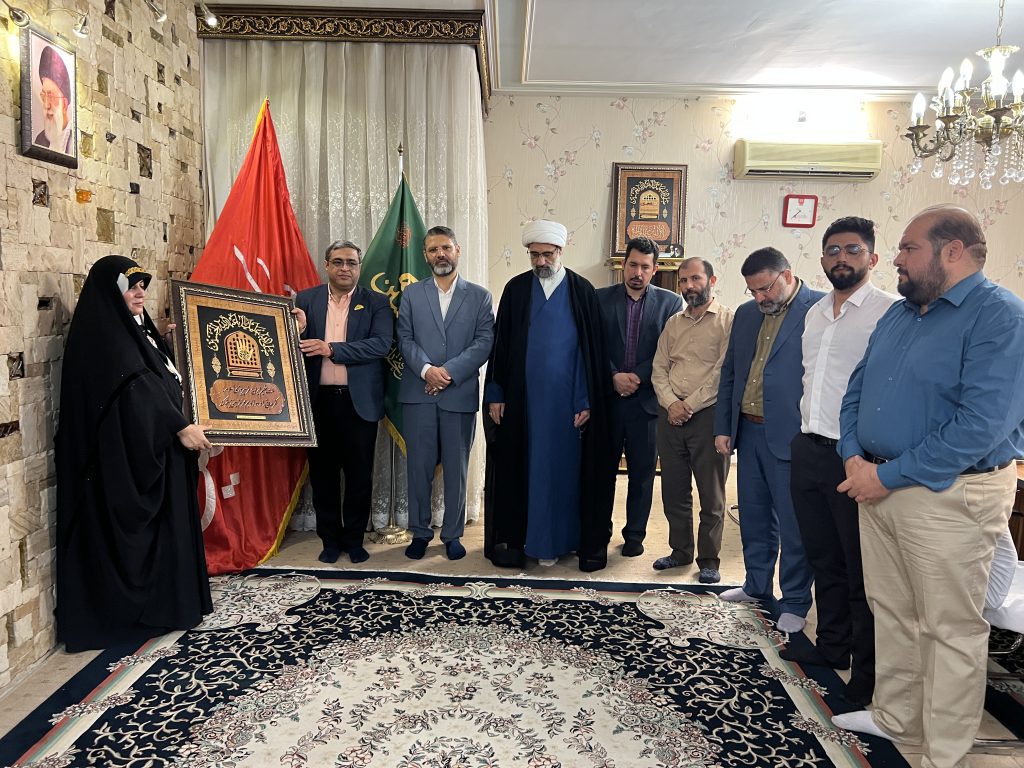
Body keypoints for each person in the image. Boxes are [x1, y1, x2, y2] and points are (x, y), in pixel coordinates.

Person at [832, 205, 1024, 768]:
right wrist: (853, 456)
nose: (896, 258)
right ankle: (896, 716)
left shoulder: (1001, 317)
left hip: (949, 495)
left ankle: (944, 754)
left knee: (950, 628)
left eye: (908, 248)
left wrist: (883, 475)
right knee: (891, 609)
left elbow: (979, 427)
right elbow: (856, 390)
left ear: (953, 251)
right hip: (875, 483)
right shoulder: (900, 314)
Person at [55, 255, 213, 652]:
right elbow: (135, 393)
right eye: (131, 286)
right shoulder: (103, 338)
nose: (140, 293)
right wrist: (179, 427)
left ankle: (171, 605)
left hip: (156, 452)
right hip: (122, 466)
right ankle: (142, 612)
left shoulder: (133, 333)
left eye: (143, 285)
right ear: (112, 292)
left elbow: (158, 380)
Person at [784, 216, 898, 707]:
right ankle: (832, 647)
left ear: (872, 257)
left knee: (860, 570)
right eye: (833, 251)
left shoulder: (890, 312)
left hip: (854, 457)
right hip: (808, 447)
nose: (841, 258)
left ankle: (866, 676)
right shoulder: (814, 313)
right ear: (822, 259)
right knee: (823, 557)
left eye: (852, 250)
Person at [483, 219, 615, 572]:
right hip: (523, 403)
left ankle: (562, 540)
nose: (541, 261)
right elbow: (501, 346)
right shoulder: (516, 289)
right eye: (534, 255)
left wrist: (584, 399)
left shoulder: (582, 290)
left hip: (566, 404)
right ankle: (527, 540)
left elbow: (591, 353)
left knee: (563, 473)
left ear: (560, 251)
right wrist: (495, 392)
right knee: (526, 471)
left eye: (547, 254)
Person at [714, 247, 823, 634]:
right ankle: (756, 584)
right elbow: (730, 372)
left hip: (794, 436)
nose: (759, 297)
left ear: (787, 276)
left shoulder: (820, 309)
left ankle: (794, 600)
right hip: (749, 431)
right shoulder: (746, 315)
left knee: (794, 525)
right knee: (754, 517)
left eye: (765, 288)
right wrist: (724, 427)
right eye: (753, 291)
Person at [293, 240, 392, 565]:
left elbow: (380, 345)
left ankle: (354, 540)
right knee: (323, 477)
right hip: (318, 403)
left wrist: (332, 349)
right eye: (337, 262)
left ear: (359, 267)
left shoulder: (376, 302)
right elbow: (289, 347)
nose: (344, 268)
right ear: (326, 265)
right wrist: (297, 330)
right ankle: (330, 541)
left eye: (351, 262)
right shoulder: (305, 299)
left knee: (359, 476)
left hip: (358, 403)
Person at [398, 226, 494, 561]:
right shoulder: (411, 294)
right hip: (418, 393)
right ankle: (420, 533)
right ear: (425, 255)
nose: (440, 254)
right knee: (419, 468)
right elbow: (404, 339)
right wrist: (427, 371)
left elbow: (484, 341)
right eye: (433, 249)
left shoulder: (480, 296)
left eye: (446, 248)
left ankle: (452, 534)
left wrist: (447, 373)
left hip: (459, 394)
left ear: (457, 250)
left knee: (457, 469)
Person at [597, 236, 682, 556]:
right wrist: (613, 376)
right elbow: (592, 345)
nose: (638, 272)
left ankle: (634, 535)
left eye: (645, 267)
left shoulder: (671, 303)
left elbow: (668, 351)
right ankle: (599, 532)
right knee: (601, 473)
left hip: (646, 403)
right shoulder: (599, 298)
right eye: (633, 265)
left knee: (642, 475)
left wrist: (637, 377)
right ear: (623, 265)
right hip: (607, 400)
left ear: (655, 269)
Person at [651, 257, 734, 583]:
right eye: (683, 280)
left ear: (711, 281)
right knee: (674, 490)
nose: (688, 286)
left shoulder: (728, 321)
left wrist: (689, 405)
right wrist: (672, 403)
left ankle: (709, 559)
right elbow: (659, 368)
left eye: (695, 279)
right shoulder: (674, 323)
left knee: (711, 495)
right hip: (670, 416)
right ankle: (680, 551)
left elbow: (723, 371)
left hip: (708, 416)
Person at [34, 45, 73, 154]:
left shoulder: (75, 140)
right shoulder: (40, 139)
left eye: (51, 96)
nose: (46, 105)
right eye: (44, 96)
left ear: (64, 103)